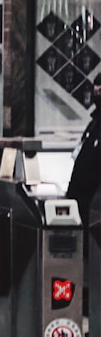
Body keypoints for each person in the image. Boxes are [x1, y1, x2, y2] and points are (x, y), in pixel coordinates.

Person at [68, 73, 101, 224]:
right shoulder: (94, 123)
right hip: (80, 202)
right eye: (95, 90)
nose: (97, 93)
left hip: (94, 206)